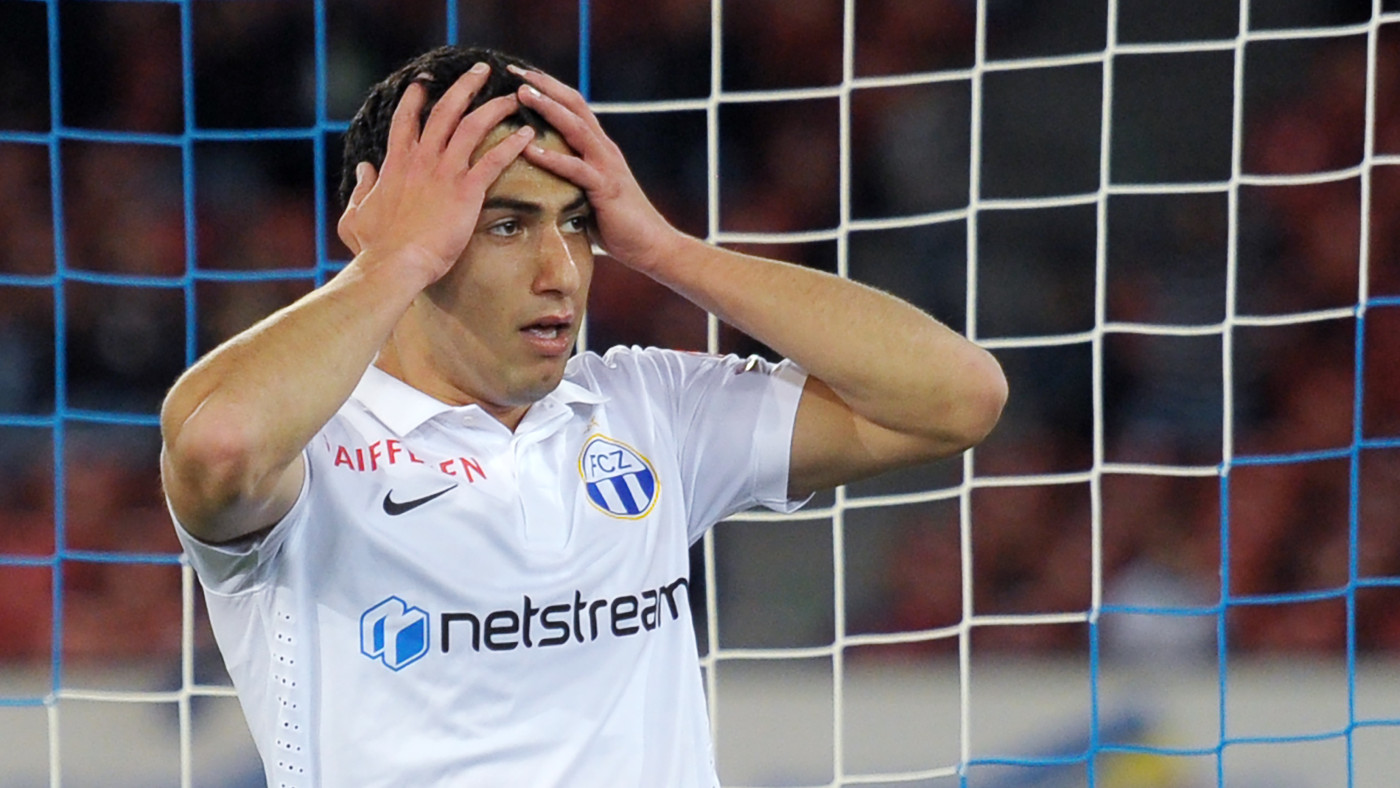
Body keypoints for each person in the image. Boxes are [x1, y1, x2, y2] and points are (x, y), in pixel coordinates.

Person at [159, 45, 1007, 787]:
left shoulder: (646, 408)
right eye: (505, 225)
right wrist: (395, 260)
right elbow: (219, 447)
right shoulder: (313, 449)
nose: (560, 270)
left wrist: (664, 248)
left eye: (574, 224)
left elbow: (956, 396)